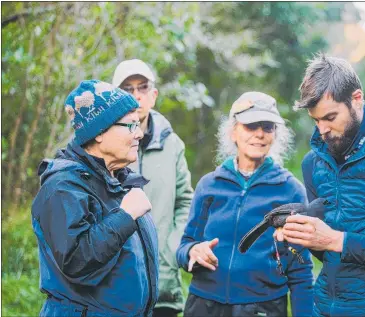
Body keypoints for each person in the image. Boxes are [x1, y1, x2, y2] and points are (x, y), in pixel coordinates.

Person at [275, 54, 365, 316]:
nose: (322, 130)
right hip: (325, 308)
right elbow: (327, 252)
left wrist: (337, 240)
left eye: (330, 117)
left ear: (356, 99)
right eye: (316, 120)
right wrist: (305, 235)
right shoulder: (313, 162)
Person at [176, 92, 314, 317]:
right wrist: (192, 251)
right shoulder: (209, 185)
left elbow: (301, 269)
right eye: (251, 126)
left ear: (275, 134)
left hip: (262, 308)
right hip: (204, 305)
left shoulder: (291, 190)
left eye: (267, 127)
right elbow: (184, 246)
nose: (259, 134)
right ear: (233, 132)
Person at [31, 80, 159, 317]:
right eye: (131, 125)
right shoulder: (62, 188)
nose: (139, 134)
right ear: (99, 132)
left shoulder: (119, 181)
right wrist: (126, 216)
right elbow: (76, 262)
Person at [112, 59, 193, 317]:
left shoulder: (173, 144)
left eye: (142, 88)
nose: (136, 96)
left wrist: (172, 248)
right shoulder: (103, 144)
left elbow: (185, 202)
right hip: (115, 287)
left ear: (154, 95)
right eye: (127, 89)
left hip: (163, 285)